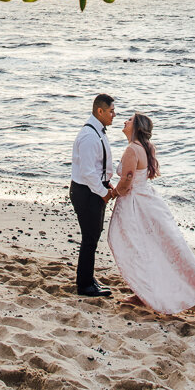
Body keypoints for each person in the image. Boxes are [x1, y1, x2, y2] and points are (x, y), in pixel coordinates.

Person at [108, 111, 195, 315]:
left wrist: (112, 194)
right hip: (148, 199)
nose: (125, 121)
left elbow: (128, 180)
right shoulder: (148, 148)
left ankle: (144, 291)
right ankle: (145, 291)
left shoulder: (131, 149)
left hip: (134, 204)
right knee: (152, 246)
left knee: (130, 245)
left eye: (129, 120)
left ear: (136, 127)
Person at [69, 93, 116, 298]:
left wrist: (107, 181)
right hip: (86, 193)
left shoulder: (98, 132)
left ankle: (88, 278)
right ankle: (84, 285)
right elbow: (88, 173)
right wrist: (104, 193)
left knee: (93, 237)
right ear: (100, 111)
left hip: (93, 189)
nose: (114, 115)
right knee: (90, 238)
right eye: (111, 111)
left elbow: (97, 166)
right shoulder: (89, 136)